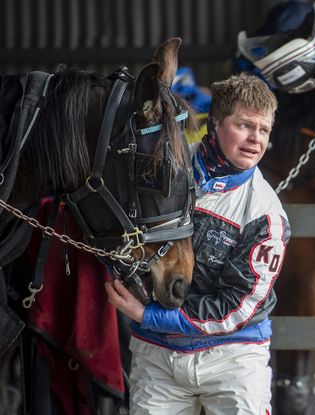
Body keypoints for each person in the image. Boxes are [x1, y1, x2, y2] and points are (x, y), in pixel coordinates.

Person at [105, 72, 290, 415]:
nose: (255, 139)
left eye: (263, 130)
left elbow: (236, 307)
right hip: (158, 356)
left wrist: (149, 315)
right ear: (215, 122)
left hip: (233, 356)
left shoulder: (266, 214)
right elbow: (120, 229)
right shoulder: (163, 167)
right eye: (245, 125)